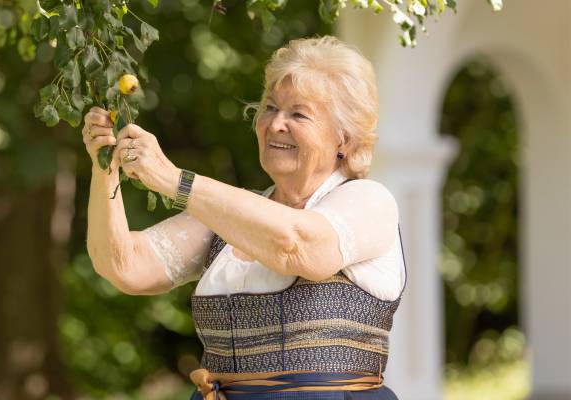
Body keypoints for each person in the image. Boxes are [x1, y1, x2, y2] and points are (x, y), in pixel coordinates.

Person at [81, 35, 407, 400]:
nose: (275, 124)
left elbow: (296, 244)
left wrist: (175, 181)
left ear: (344, 140)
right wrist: (103, 165)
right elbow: (123, 265)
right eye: (270, 108)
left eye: (298, 114)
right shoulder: (229, 214)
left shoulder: (368, 200)